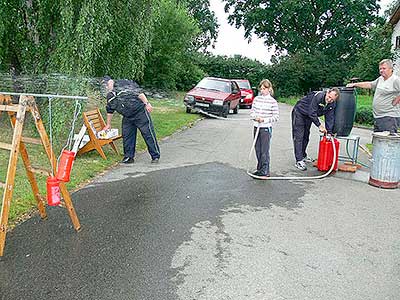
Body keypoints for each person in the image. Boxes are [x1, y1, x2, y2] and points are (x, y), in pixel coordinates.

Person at [103, 76, 160, 164]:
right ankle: (129, 157)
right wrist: (108, 124)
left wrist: (147, 104)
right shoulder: (110, 96)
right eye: (105, 86)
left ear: (111, 82)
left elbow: (139, 93)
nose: (106, 87)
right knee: (127, 136)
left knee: (148, 134)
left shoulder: (123, 83)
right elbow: (110, 110)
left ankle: (155, 156)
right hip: (127, 117)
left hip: (140, 113)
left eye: (107, 85)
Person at [291, 87, 340, 171]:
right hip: (300, 112)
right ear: (327, 92)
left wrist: (329, 132)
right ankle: (299, 160)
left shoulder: (332, 104)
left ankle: (303, 155)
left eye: (332, 100)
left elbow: (330, 118)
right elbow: (312, 112)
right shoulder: (319, 96)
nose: (329, 100)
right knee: (299, 136)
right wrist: (319, 125)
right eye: (329, 97)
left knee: (306, 136)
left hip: (308, 116)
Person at [347, 59, 400, 134]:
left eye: (384, 68)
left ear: (391, 69)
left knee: (386, 142)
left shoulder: (395, 80)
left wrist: (396, 100)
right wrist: (355, 84)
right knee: (378, 141)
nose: (381, 70)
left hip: (389, 117)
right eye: (380, 69)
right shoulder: (380, 79)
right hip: (378, 117)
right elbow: (370, 84)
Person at [250, 79, 279, 178]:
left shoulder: (273, 102)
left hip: (265, 128)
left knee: (264, 150)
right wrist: (255, 117)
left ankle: (265, 171)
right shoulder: (257, 99)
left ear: (269, 89)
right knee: (257, 149)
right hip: (256, 126)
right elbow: (252, 112)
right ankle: (260, 169)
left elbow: (275, 117)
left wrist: (264, 120)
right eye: (261, 88)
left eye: (264, 89)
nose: (262, 90)